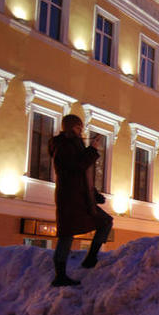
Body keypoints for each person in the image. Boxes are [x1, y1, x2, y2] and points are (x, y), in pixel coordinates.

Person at [49, 115, 113, 286]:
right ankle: (60, 275)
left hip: (80, 197)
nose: (81, 131)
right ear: (70, 128)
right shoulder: (62, 146)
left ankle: (91, 258)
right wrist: (92, 150)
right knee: (67, 235)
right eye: (78, 127)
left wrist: (94, 194)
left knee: (105, 222)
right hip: (70, 198)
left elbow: (83, 173)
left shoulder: (73, 145)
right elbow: (76, 167)